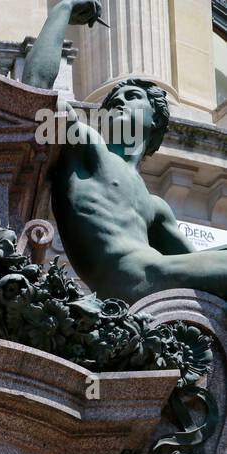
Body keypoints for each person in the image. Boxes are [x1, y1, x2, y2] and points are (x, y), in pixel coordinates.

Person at [22, 0, 227, 305]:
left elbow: (196, 262)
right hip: (130, 278)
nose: (118, 102)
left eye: (131, 97)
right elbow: (35, 92)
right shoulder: (88, 147)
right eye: (112, 101)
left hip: (155, 275)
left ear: (155, 118)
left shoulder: (155, 205)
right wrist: (63, 10)